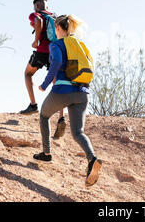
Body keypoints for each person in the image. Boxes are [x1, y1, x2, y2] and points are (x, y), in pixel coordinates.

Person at [33, 14, 102, 188]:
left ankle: (46, 153)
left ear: (57, 28)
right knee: (78, 132)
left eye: (54, 29)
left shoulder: (57, 44)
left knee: (44, 115)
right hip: (82, 93)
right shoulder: (80, 44)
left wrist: (45, 84)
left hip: (63, 90)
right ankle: (92, 159)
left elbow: (56, 61)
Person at [20, 0, 66, 138]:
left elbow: (38, 21)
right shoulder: (55, 17)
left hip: (42, 51)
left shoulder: (36, 15)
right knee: (56, 81)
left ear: (36, 6)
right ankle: (61, 117)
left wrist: (36, 41)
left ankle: (33, 105)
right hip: (56, 51)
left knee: (28, 74)